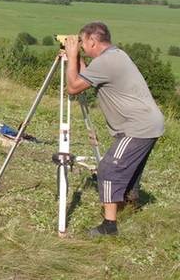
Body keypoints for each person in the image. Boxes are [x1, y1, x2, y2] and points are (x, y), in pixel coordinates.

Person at [64, 22, 164, 237]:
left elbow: (72, 87)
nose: (80, 45)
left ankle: (109, 226)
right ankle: (130, 204)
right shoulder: (115, 55)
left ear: (92, 40)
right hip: (148, 123)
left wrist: (71, 57)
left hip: (137, 126)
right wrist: (78, 58)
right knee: (130, 169)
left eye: (82, 41)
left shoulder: (107, 61)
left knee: (108, 169)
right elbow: (87, 77)